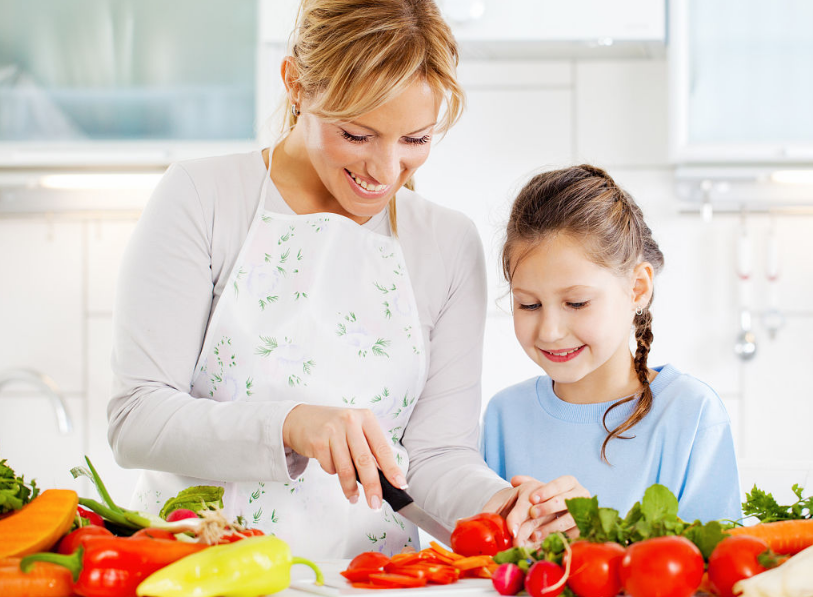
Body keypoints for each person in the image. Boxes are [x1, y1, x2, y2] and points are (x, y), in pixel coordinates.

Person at [107, 0, 584, 558]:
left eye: (415, 140)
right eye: (357, 135)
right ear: (296, 86)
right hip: (197, 567)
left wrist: (506, 509)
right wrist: (291, 424)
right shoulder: (202, 197)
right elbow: (136, 417)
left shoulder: (447, 245)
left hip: (373, 577)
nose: (384, 172)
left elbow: (435, 457)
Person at [481, 165, 742, 525]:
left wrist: (600, 537)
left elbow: (717, 564)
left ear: (637, 288)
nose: (551, 331)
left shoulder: (690, 414)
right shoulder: (504, 416)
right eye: (529, 304)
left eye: (576, 303)